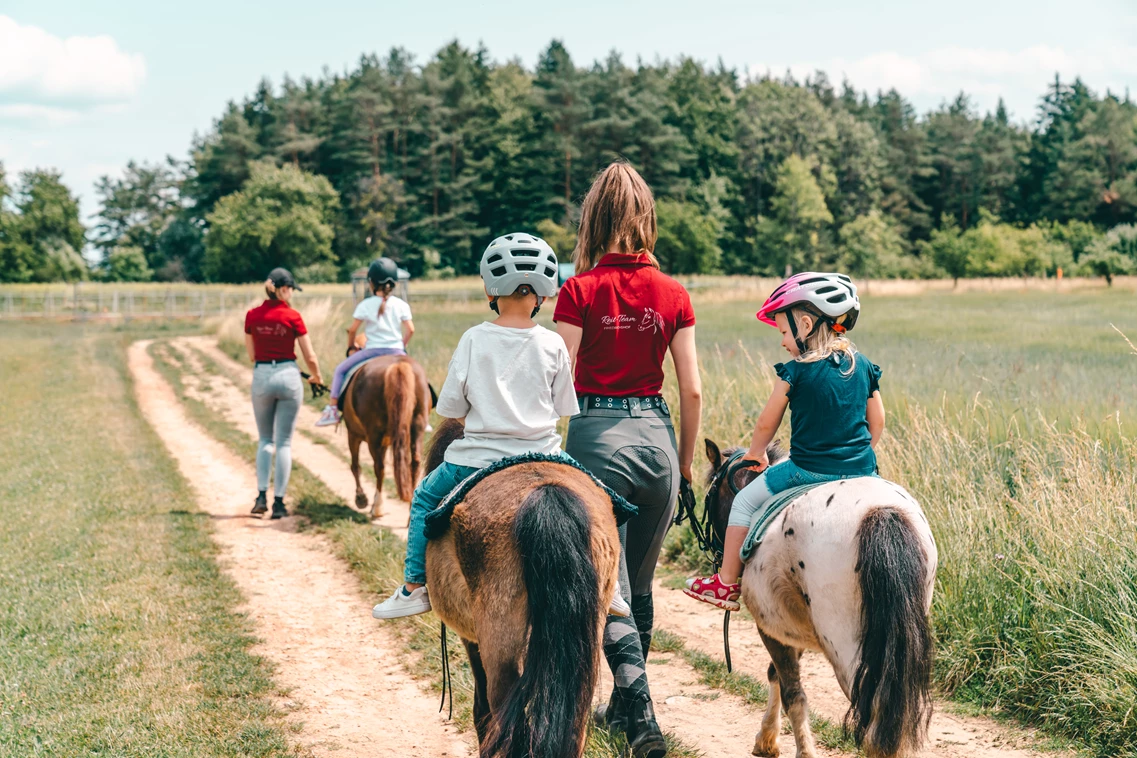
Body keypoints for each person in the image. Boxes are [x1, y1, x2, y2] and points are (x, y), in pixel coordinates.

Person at [554, 161, 702, 758]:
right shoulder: (673, 292)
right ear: (645, 220)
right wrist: (685, 465)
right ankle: (625, 702)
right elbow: (691, 388)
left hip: (596, 435)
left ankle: (641, 718)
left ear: (595, 219)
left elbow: (557, 374)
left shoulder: (579, 290)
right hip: (658, 441)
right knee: (637, 581)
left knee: (606, 584)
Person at [372, 233, 589, 618]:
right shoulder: (553, 343)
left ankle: (414, 586)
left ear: (491, 289)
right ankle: (610, 588)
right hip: (545, 457)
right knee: (595, 503)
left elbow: (451, 407)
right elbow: (563, 407)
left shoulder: (473, 338)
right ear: (542, 295)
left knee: (423, 498)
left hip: (476, 461)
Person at [684, 272, 883, 609]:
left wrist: (758, 453)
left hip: (806, 471)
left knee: (746, 501)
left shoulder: (795, 370)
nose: (782, 341)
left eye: (783, 331)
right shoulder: (862, 365)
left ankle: (725, 584)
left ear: (805, 325)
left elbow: (766, 423)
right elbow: (877, 422)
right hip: (862, 469)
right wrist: (859, 456)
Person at [244, 267, 324, 519]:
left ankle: (260, 496)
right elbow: (309, 355)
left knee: (265, 440)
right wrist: (316, 376)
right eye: (291, 289)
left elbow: (252, 355)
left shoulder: (252, 315)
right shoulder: (293, 316)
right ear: (283, 289)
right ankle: (279, 502)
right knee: (285, 442)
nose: (291, 294)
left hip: (263, 375)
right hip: (289, 377)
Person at [315, 258, 414, 427]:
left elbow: (353, 330)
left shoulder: (365, 305)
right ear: (395, 283)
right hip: (396, 350)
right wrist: (402, 345)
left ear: (371, 282)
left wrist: (351, 345)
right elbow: (410, 330)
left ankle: (332, 409)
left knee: (340, 370)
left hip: (373, 350)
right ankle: (422, 415)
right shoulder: (401, 305)